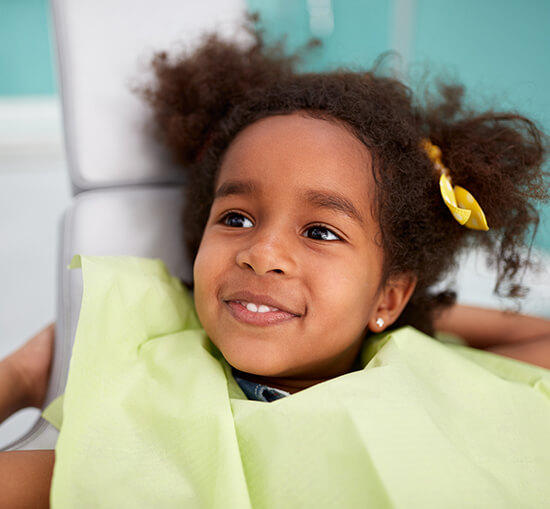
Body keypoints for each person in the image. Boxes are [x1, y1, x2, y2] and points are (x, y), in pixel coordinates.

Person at [1, 22, 550, 507]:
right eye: (237, 218)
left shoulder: (425, 376)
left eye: (320, 231)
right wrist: (25, 376)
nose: (260, 253)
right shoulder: (149, 395)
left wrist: (415, 316)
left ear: (389, 296)